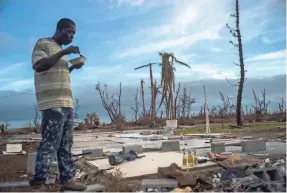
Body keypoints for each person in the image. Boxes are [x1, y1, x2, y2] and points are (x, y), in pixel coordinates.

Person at [29, 18, 86, 191]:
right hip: (53, 103)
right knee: (50, 142)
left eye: (74, 34)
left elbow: (57, 75)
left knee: (66, 144)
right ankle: (39, 181)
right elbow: (39, 66)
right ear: (59, 29)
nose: (71, 36)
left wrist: (71, 68)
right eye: (69, 31)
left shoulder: (62, 52)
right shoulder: (43, 43)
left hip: (66, 102)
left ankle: (67, 179)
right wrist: (63, 53)